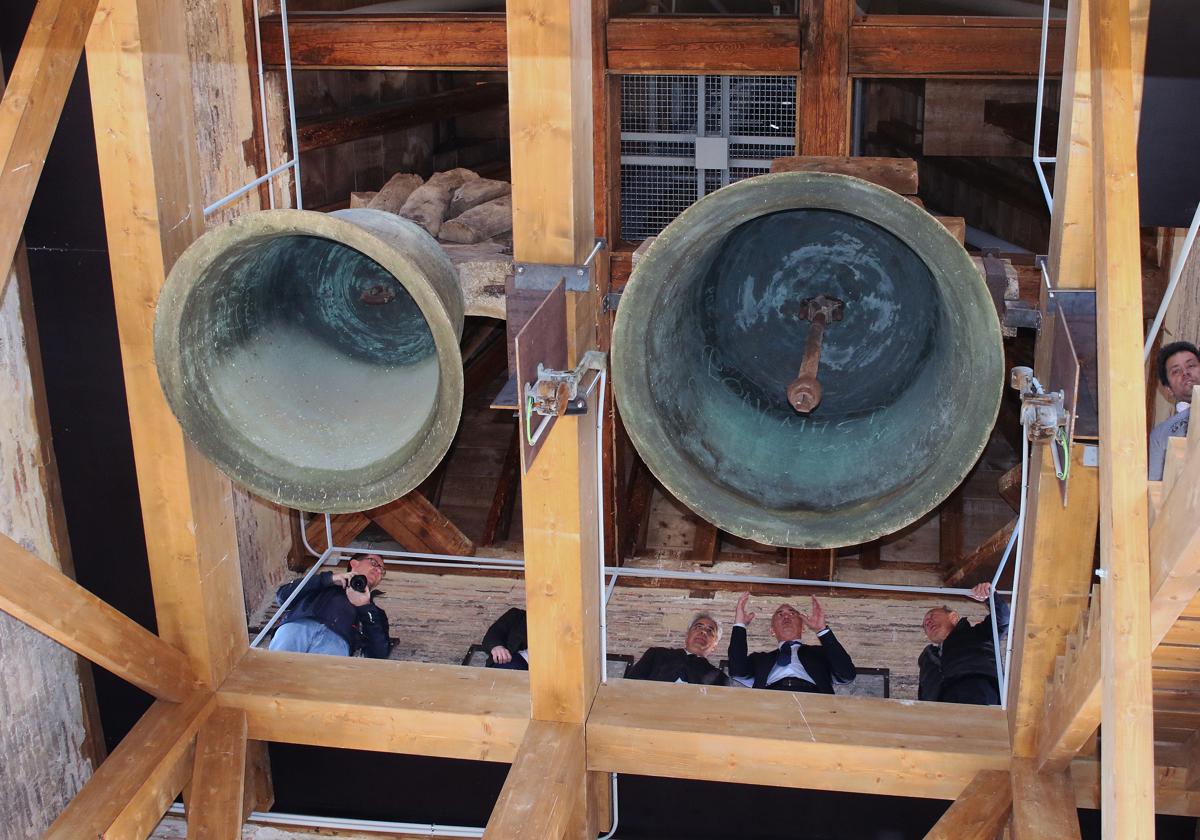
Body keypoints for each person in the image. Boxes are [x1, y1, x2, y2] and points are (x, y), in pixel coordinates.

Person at [268, 553, 390, 658]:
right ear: (354, 563)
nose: (379, 570)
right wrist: (329, 579)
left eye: (382, 571)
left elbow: (379, 653)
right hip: (298, 626)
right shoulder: (323, 583)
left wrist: (364, 607)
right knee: (275, 672)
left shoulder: (375, 612)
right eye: (374, 563)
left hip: (338, 643)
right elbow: (283, 596)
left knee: (321, 685)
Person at [727, 593, 856, 693]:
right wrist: (740, 625)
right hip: (769, 701)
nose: (786, 617)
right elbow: (737, 671)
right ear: (772, 630)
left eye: (792, 613)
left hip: (813, 701)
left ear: (803, 627)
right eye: (780, 614)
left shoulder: (820, 654)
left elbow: (847, 675)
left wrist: (822, 630)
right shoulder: (760, 659)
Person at [918, 581, 1009, 705]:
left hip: (976, 689)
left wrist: (990, 596)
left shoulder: (977, 634)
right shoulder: (928, 660)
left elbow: (1002, 618)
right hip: (943, 707)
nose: (928, 622)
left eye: (931, 615)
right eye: (925, 625)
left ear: (953, 617)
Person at [626, 612, 730, 686]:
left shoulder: (720, 678)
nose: (703, 632)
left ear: (715, 646)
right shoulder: (656, 655)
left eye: (710, 630)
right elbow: (630, 684)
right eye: (698, 627)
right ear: (687, 635)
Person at [1148, 340, 1199, 480]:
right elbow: (1157, 488)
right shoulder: (1160, 434)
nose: (1185, 373)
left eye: (1191, 365)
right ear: (1168, 389)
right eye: (1176, 371)